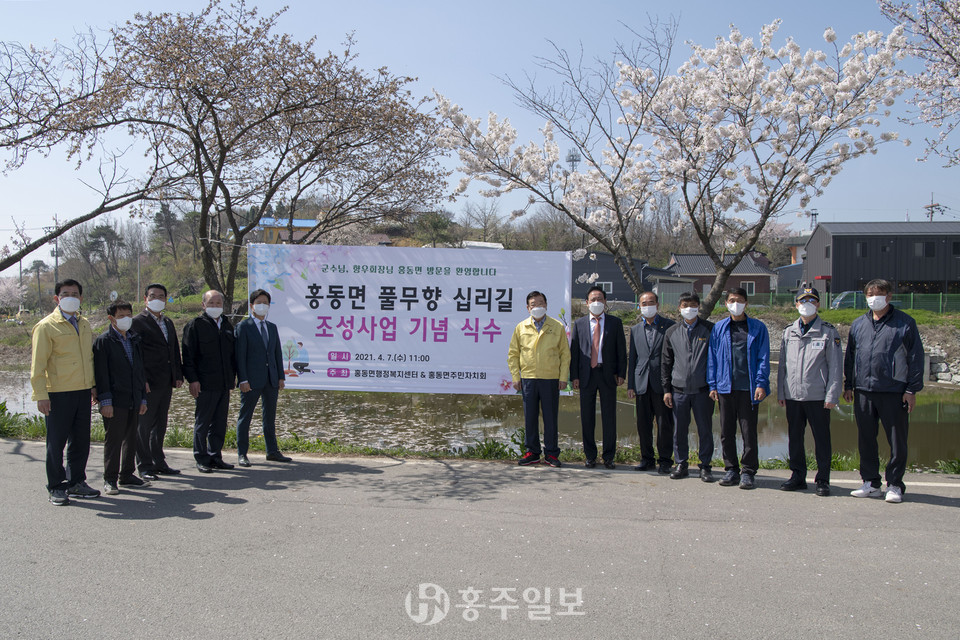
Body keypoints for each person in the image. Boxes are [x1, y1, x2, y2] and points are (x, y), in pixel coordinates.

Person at [843, 279, 924, 504]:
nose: (873, 298)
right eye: (869, 294)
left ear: (889, 296)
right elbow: (850, 356)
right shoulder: (859, 324)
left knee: (897, 440)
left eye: (878, 294)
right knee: (866, 438)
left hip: (894, 391)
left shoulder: (905, 323)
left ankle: (895, 484)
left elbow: (916, 358)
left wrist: (911, 389)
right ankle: (871, 482)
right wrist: (848, 384)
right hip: (863, 391)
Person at [30, 279, 100, 505]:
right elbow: (38, 365)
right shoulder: (46, 326)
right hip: (57, 393)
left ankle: (76, 482)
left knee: (81, 441)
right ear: (56, 298)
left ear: (81, 298)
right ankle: (56, 486)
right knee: (56, 442)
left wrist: (93, 386)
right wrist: (41, 394)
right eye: (65, 293)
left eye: (75, 293)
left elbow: (88, 359)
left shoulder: (85, 323)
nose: (71, 296)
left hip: (82, 392)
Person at [777, 287, 842, 497]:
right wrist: (781, 392)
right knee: (795, 437)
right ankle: (797, 476)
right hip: (793, 395)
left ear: (818, 304)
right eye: (803, 300)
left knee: (821, 439)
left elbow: (835, 368)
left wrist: (832, 395)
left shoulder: (828, 332)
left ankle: (822, 479)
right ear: (796, 304)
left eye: (812, 300)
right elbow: (782, 367)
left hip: (818, 397)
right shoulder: (789, 331)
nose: (807, 304)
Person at [707, 287, 770, 490]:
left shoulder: (758, 328)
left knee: (748, 431)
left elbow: (763, 358)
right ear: (725, 303)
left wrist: (761, 383)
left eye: (740, 300)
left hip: (748, 388)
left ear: (746, 303)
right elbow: (713, 358)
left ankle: (748, 471)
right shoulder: (719, 328)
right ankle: (731, 469)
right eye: (732, 300)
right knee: (726, 431)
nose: (736, 304)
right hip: (726, 387)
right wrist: (713, 384)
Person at [507, 291, 571, 468]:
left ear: (547, 305)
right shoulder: (521, 327)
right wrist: (515, 376)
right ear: (528, 308)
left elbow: (565, 355)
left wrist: (563, 377)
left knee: (550, 418)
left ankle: (551, 453)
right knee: (530, 418)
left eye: (541, 303)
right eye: (533, 304)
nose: (538, 307)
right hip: (528, 379)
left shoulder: (557, 327)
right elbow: (513, 354)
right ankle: (532, 452)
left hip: (550, 378)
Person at [93, 300, 149, 495]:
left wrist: (142, 397)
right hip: (114, 400)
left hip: (133, 397)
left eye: (128, 315)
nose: (125, 319)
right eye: (120, 316)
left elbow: (140, 370)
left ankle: (127, 474)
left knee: (131, 438)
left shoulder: (134, 339)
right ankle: (110, 479)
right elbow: (101, 375)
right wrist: (105, 401)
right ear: (111, 318)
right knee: (114, 440)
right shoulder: (104, 341)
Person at [570, 286, 627, 469]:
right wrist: (575, 376)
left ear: (605, 302)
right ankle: (590, 456)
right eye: (592, 299)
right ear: (586, 303)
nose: (596, 303)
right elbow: (575, 352)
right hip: (587, 375)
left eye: (600, 299)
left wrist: (621, 373)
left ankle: (609, 456)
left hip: (607, 374)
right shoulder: (579, 324)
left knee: (609, 417)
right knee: (587, 417)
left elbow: (621, 351)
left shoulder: (615, 323)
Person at [131, 283, 184, 479]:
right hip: (148, 383)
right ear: (145, 299)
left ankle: (158, 461)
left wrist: (177, 374)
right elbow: (136, 355)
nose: (157, 299)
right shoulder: (137, 322)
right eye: (153, 296)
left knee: (160, 424)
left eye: (161, 296)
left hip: (165, 381)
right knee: (143, 425)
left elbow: (173, 349)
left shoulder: (168, 322)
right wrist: (141, 380)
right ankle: (144, 465)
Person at [661, 292, 716, 482]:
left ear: (698, 307)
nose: (689, 308)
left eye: (693, 305)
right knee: (679, 430)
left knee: (705, 429)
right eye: (685, 305)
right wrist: (666, 389)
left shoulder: (710, 330)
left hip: (703, 390)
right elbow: (666, 363)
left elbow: (717, 360)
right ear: (679, 308)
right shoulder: (672, 332)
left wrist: (714, 386)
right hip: (679, 390)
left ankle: (705, 466)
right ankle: (681, 463)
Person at [181, 290, 237, 473]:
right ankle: (201, 457)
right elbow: (188, 356)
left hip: (223, 382)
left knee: (220, 422)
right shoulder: (195, 325)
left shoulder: (227, 324)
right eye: (211, 303)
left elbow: (232, 355)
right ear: (203, 305)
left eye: (218, 303)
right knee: (203, 422)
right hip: (204, 382)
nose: (215, 306)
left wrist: (233, 378)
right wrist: (193, 380)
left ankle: (215, 456)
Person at [235, 289, 291, 466]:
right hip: (251, 381)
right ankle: (242, 453)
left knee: (270, 417)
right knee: (246, 416)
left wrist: (281, 377)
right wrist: (242, 379)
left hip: (271, 380)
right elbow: (240, 356)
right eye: (258, 302)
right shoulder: (243, 327)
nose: (262, 306)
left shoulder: (272, 327)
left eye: (265, 303)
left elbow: (276, 354)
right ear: (251, 305)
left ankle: (272, 451)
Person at [627, 291, 675, 474]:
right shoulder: (635, 329)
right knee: (643, 424)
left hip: (662, 384)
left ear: (658, 304)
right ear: (639, 306)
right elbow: (633, 359)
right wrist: (631, 385)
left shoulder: (669, 327)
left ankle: (665, 460)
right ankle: (647, 458)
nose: (647, 306)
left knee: (664, 424)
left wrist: (669, 385)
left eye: (651, 302)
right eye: (644, 303)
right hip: (641, 383)